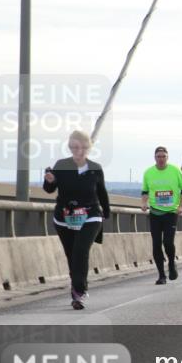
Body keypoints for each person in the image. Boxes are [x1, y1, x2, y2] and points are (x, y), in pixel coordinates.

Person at [42, 130, 111, 309]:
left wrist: (107, 212)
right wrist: (49, 180)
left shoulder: (95, 167)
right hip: (65, 217)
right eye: (74, 147)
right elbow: (49, 189)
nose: (78, 150)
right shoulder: (61, 165)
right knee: (71, 255)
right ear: (70, 147)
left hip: (90, 215)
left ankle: (79, 291)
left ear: (89, 148)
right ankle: (76, 292)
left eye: (82, 147)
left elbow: (101, 191)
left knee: (81, 251)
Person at [141, 146, 182, 284]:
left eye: (163, 156)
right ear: (154, 158)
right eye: (158, 157)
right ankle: (161, 275)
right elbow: (144, 191)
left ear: (167, 157)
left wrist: (181, 206)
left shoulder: (175, 170)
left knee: (168, 242)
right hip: (155, 212)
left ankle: (172, 264)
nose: (161, 159)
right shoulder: (148, 172)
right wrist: (144, 202)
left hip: (171, 212)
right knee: (156, 244)